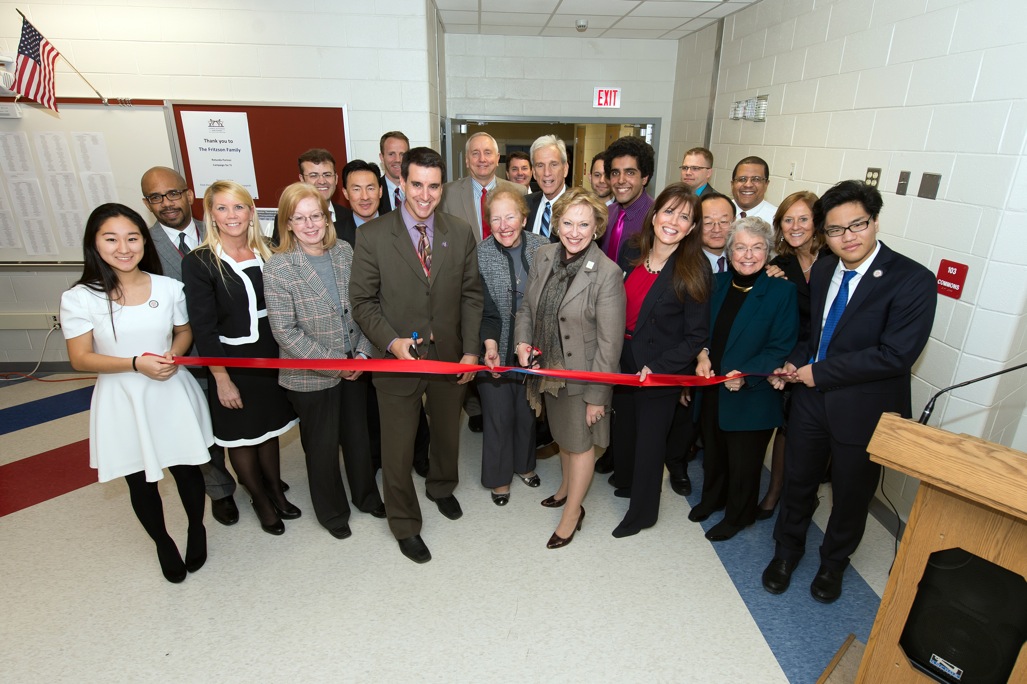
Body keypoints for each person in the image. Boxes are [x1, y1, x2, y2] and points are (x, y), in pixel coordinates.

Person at [763, 180, 936, 603]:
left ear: (875, 221)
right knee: (798, 483)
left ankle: (833, 564)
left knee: (851, 494)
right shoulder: (824, 269)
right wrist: (795, 361)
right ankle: (786, 552)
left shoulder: (912, 280)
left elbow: (894, 355)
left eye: (857, 225)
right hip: (809, 403)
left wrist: (816, 372)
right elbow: (816, 334)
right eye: (837, 230)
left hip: (865, 409)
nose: (848, 237)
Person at [60, 203, 213, 583]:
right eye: (111, 239)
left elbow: (183, 331)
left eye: (132, 238)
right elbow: (80, 358)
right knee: (140, 479)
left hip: (170, 390)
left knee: (187, 468)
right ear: (94, 244)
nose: (124, 248)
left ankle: (197, 527)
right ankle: (162, 541)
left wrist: (174, 354)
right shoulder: (79, 298)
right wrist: (134, 363)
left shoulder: (169, 287)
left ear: (144, 241)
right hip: (122, 398)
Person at [350, 147, 484, 564]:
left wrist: (469, 351)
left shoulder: (459, 232)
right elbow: (362, 302)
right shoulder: (373, 235)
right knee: (398, 447)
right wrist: (391, 342)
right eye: (417, 185)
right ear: (402, 183)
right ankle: (404, 523)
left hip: (447, 357)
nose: (425, 195)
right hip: (396, 362)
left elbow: (470, 295)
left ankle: (441, 487)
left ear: (442, 187)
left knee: (446, 433)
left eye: (433, 186)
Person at [264, 183, 385, 540]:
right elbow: (285, 332)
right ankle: (333, 512)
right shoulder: (278, 268)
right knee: (322, 447)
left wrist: (363, 353)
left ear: (327, 217)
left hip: (357, 365)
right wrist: (338, 364)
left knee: (358, 438)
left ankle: (366, 496)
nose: (310, 224)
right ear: (287, 223)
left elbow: (365, 306)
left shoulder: (345, 252)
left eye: (315, 215)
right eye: (299, 218)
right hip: (311, 377)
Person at [182, 181, 300, 536]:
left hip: (271, 356)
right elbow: (203, 329)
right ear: (211, 215)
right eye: (222, 208)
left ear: (251, 211)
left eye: (239, 207)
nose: (231, 215)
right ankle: (259, 499)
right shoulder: (200, 262)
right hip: (232, 362)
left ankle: (275, 488)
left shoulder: (269, 253)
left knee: (268, 430)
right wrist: (221, 378)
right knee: (242, 436)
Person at [514, 187, 626, 549]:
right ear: (556, 222)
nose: (574, 231)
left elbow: (611, 344)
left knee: (580, 447)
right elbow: (527, 309)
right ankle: (565, 489)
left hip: (582, 376)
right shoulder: (544, 255)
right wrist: (521, 343)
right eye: (567, 222)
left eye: (584, 224)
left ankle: (572, 513)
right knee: (564, 436)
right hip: (549, 373)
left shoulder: (607, 273)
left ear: (597, 229)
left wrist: (598, 396)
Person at [608, 183, 711, 538]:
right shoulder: (632, 248)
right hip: (623, 358)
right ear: (654, 215)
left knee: (651, 443)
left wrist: (662, 367)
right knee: (625, 430)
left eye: (685, 217)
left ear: (692, 227)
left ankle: (642, 513)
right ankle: (627, 483)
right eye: (669, 211)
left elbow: (696, 335)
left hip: (660, 370)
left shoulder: (694, 268)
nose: (674, 221)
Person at [140, 166, 239, 526]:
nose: (166, 203)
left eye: (173, 193)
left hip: (230, 346)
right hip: (182, 355)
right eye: (156, 197)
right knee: (201, 425)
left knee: (236, 415)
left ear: (188, 194)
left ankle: (254, 476)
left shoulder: (220, 226)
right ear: (146, 203)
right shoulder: (142, 245)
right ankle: (220, 489)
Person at [689, 216, 798, 542]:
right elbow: (701, 329)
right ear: (729, 249)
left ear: (768, 251)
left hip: (752, 392)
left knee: (744, 463)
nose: (748, 255)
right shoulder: (717, 283)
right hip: (713, 387)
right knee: (714, 452)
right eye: (741, 247)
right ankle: (712, 499)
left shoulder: (782, 291)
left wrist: (746, 375)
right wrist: (703, 352)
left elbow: (781, 345)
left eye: (757, 248)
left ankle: (739, 516)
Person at [476, 189, 545, 505]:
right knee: (497, 415)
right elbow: (481, 308)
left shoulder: (544, 249)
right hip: (495, 347)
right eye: (496, 218)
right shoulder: (479, 254)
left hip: (533, 348)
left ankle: (524, 465)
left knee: (526, 411)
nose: (503, 225)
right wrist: (489, 345)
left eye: (510, 216)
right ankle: (499, 478)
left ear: (524, 217)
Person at [758, 191, 824, 519]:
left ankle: (805, 494)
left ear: (818, 222)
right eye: (788, 219)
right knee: (785, 427)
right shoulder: (778, 266)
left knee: (812, 435)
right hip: (789, 358)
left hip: (826, 358)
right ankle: (775, 490)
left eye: (803, 218)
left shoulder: (836, 261)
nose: (795, 226)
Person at [440, 131, 527, 242]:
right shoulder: (447, 193)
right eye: (475, 153)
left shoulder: (519, 192)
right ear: (467, 160)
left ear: (497, 158)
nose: (482, 159)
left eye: (487, 153)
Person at [598, 136, 656, 269]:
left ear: (644, 178)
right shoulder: (607, 213)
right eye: (615, 173)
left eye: (630, 173)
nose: (621, 180)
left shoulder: (656, 218)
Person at [525, 135, 569, 241]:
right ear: (534, 172)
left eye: (553, 164)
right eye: (540, 165)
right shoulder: (524, 204)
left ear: (565, 169)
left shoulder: (580, 207)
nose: (547, 173)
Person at [731, 156, 777, 223]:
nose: (748, 185)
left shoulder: (777, 219)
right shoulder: (717, 212)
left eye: (756, 179)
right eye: (742, 179)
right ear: (732, 184)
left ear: (766, 184)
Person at [699, 193, 736, 274]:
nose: (717, 229)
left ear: (734, 222)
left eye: (724, 221)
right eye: (708, 223)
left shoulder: (744, 260)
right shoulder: (680, 264)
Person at [378, 131, 410, 214]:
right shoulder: (374, 192)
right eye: (391, 154)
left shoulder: (419, 190)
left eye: (402, 154)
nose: (397, 160)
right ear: (382, 157)